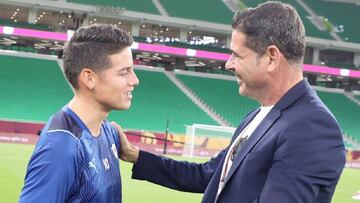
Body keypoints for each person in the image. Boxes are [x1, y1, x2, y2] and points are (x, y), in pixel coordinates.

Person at [114, 1, 346, 203]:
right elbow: (209, 175)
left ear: (272, 58)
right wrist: (135, 154)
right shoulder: (257, 116)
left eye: (237, 55)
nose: (228, 64)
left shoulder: (311, 126)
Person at [19, 24, 139, 202]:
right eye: (124, 72)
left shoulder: (110, 132)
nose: (135, 80)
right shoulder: (60, 147)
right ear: (89, 78)